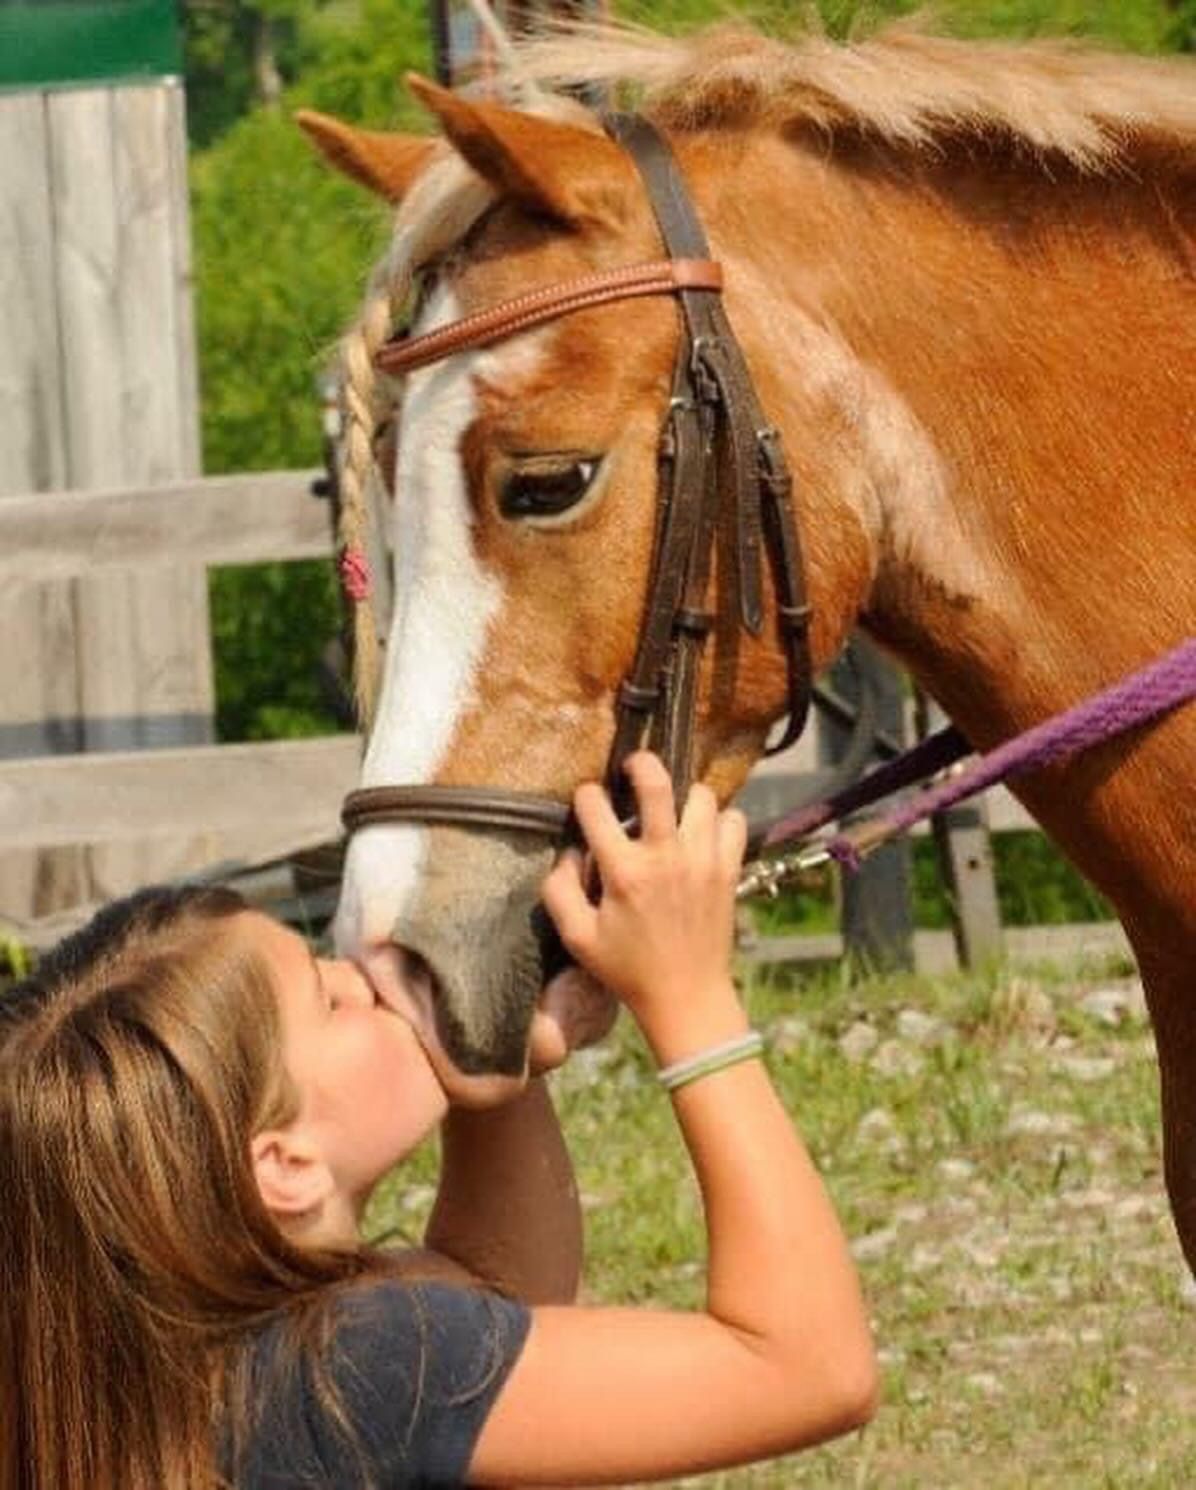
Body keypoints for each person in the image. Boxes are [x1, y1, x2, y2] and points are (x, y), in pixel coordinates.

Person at [0, 752, 876, 1488]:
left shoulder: (203, 1375)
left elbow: (495, 1300)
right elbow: (806, 1369)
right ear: (285, 1165)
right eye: (328, 999)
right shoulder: (359, 1367)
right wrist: (690, 1000)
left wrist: (497, 1056)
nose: (361, 972)